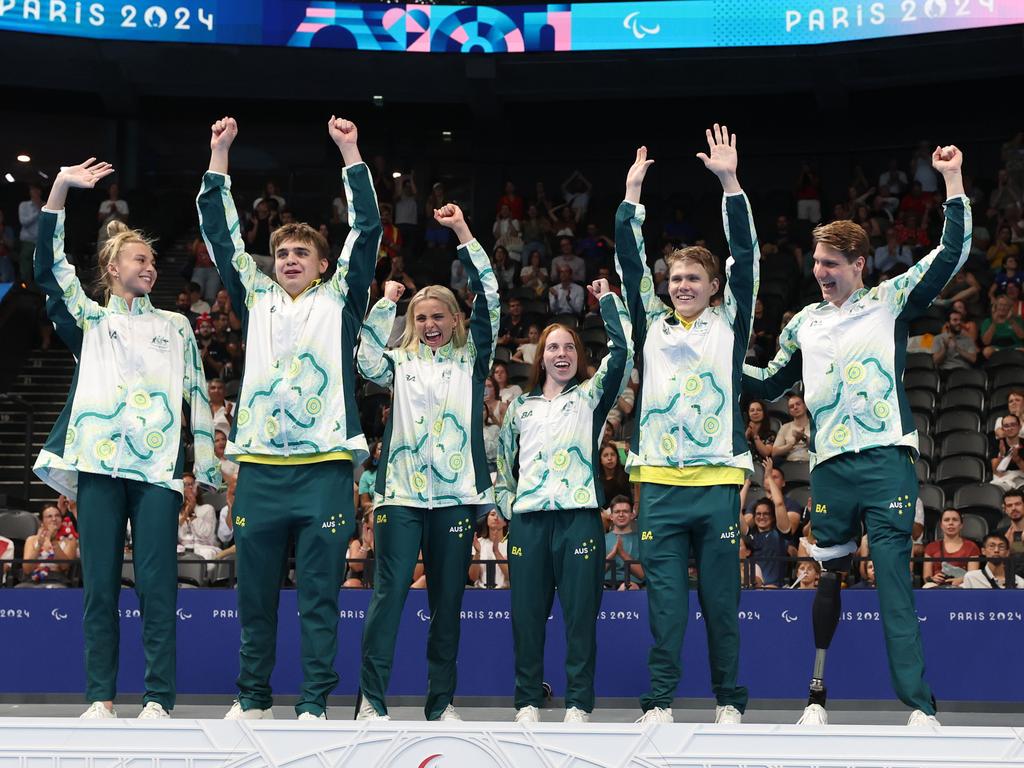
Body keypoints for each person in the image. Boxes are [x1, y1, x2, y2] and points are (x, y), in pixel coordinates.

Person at [743, 143, 969, 726]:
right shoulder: (803, 323)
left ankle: (920, 708)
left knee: (894, 579)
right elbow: (770, 385)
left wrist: (953, 180)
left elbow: (951, 254)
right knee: (828, 578)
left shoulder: (889, 300)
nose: (820, 273)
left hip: (887, 460)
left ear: (858, 264)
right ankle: (816, 697)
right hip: (830, 469)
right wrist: (719, 362)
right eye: (817, 263)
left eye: (831, 265)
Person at [198, 115, 378, 721]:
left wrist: (350, 152)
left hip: (325, 469)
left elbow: (369, 227)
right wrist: (219, 157)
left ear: (324, 264)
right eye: (281, 252)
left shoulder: (342, 300)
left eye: (303, 252)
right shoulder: (255, 296)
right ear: (270, 262)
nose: (291, 258)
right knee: (254, 597)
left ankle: (312, 702)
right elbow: (223, 238)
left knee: (320, 598)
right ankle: (251, 697)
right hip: (261, 471)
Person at [33, 158, 220, 720]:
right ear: (114, 267)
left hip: (157, 474)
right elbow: (48, 268)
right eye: (142, 257)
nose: (152, 265)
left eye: (153, 259)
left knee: (159, 591)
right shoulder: (90, 322)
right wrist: (60, 191)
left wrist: (204, 463)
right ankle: (100, 698)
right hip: (97, 468)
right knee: (99, 593)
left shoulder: (176, 326)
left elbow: (199, 395)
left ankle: (158, 699)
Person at [615, 126, 757, 725]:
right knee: (666, 606)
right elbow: (628, 263)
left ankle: (728, 700)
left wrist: (730, 185)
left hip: (719, 482)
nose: (682, 286)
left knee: (722, 604)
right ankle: (661, 701)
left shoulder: (732, 321)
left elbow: (746, 254)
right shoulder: (652, 324)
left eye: (693, 279)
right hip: (662, 489)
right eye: (675, 280)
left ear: (714, 286)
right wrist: (631, 198)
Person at [356, 202, 498, 723]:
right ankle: (371, 703)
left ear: (456, 320)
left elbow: (493, 297)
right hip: (400, 494)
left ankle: (441, 705)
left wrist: (463, 231)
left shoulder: (472, 360)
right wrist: (384, 305)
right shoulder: (400, 361)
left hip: (457, 498)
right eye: (421, 318)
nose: (430, 324)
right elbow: (365, 356)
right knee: (388, 596)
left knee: (447, 606)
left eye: (439, 316)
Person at [495, 278, 632, 724]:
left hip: (579, 520)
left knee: (579, 619)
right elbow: (502, 462)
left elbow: (623, 354)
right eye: (552, 347)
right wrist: (507, 503)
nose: (560, 354)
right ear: (541, 356)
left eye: (569, 348)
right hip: (530, 522)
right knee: (527, 619)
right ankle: (528, 700)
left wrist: (608, 302)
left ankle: (578, 703)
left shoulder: (590, 398)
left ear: (579, 355)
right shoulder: (520, 407)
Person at [922, 508, 980, 588]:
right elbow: (926, 578)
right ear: (941, 525)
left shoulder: (971, 547)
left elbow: (973, 576)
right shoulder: (930, 547)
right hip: (937, 586)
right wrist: (933, 578)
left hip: (962, 584)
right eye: (946, 520)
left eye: (955, 520)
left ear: (961, 525)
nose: (951, 523)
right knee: (927, 586)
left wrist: (960, 580)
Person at [21, 504, 78, 583]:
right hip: (32, 579)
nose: (54, 519)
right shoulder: (31, 540)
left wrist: (54, 541)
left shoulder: (70, 540)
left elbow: (64, 567)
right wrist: (39, 545)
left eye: (57, 516)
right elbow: (27, 569)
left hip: (56, 579)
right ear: (42, 521)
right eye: (49, 516)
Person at [604, 495, 645, 590]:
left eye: (625, 511)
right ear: (611, 516)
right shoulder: (602, 540)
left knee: (626, 587)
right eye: (617, 512)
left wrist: (622, 553)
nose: (621, 514)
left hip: (632, 585)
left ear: (632, 515)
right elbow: (595, 573)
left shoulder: (641, 540)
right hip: (605, 585)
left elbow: (642, 575)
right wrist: (612, 554)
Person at [469, 509, 509, 589]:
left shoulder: (511, 544)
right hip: (480, 592)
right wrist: (477, 553)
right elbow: (473, 578)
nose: (496, 518)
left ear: (505, 522)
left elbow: (511, 576)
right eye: (492, 514)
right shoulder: (478, 542)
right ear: (486, 519)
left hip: (505, 593)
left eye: (499, 515)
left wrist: (496, 552)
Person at [773, 393, 811, 464]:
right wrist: (793, 443)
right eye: (791, 406)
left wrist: (804, 438)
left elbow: (821, 448)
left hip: (811, 463)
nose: (795, 407)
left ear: (805, 406)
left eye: (798, 404)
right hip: (790, 465)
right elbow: (774, 452)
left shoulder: (814, 425)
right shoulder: (785, 427)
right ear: (789, 411)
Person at [18, 182, 43, 288]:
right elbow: (24, 222)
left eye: (37, 189)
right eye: (33, 189)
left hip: (41, 242)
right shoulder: (24, 205)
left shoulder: (46, 205)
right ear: (30, 192)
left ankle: (41, 291)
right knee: (26, 268)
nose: (35, 192)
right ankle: (26, 289)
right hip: (27, 241)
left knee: (41, 268)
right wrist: (38, 210)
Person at [991, 413, 1024, 491]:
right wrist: (1002, 456)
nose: (1010, 428)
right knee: (995, 490)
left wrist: (1018, 460)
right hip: (1003, 479)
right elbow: (996, 472)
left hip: (1022, 478)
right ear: (1002, 429)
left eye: (1013, 425)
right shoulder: (997, 443)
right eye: (1006, 426)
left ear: (1019, 427)